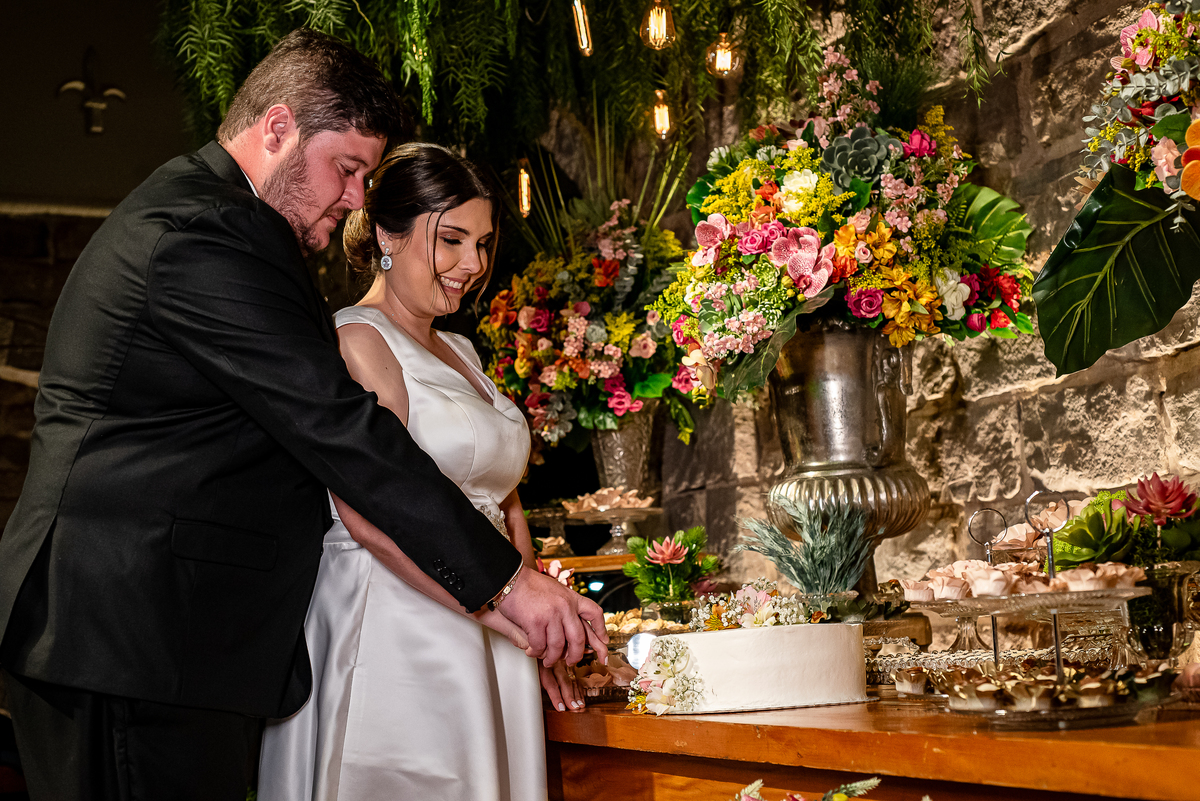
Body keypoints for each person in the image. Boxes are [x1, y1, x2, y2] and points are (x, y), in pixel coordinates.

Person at [0, 29, 605, 801]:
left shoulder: (213, 220)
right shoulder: (206, 234)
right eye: (346, 168)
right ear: (278, 128)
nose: (356, 196)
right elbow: (341, 434)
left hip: (162, 641)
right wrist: (509, 585)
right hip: (132, 636)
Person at [258, 142, 585, 800]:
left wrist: (534, 623)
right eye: (453, 240)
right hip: (399, 620)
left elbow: (506, 502)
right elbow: (372, 513)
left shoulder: (461, 347)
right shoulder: (358, 340)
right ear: (386, 233)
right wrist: (495, 605)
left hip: (488, 612)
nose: (473, 265)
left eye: (485, 244)